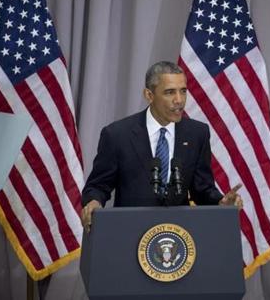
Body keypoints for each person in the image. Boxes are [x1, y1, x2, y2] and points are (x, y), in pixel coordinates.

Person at [81, 61, 242, 232]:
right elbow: (98, 186)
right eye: (170, 92)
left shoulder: (197, 134)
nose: (179, 100)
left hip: (179, 235)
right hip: (131, 231)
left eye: (183, 91)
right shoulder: (117, 135)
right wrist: (93, 202)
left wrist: (219, 202)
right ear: (149, 95)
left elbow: (202, 188)